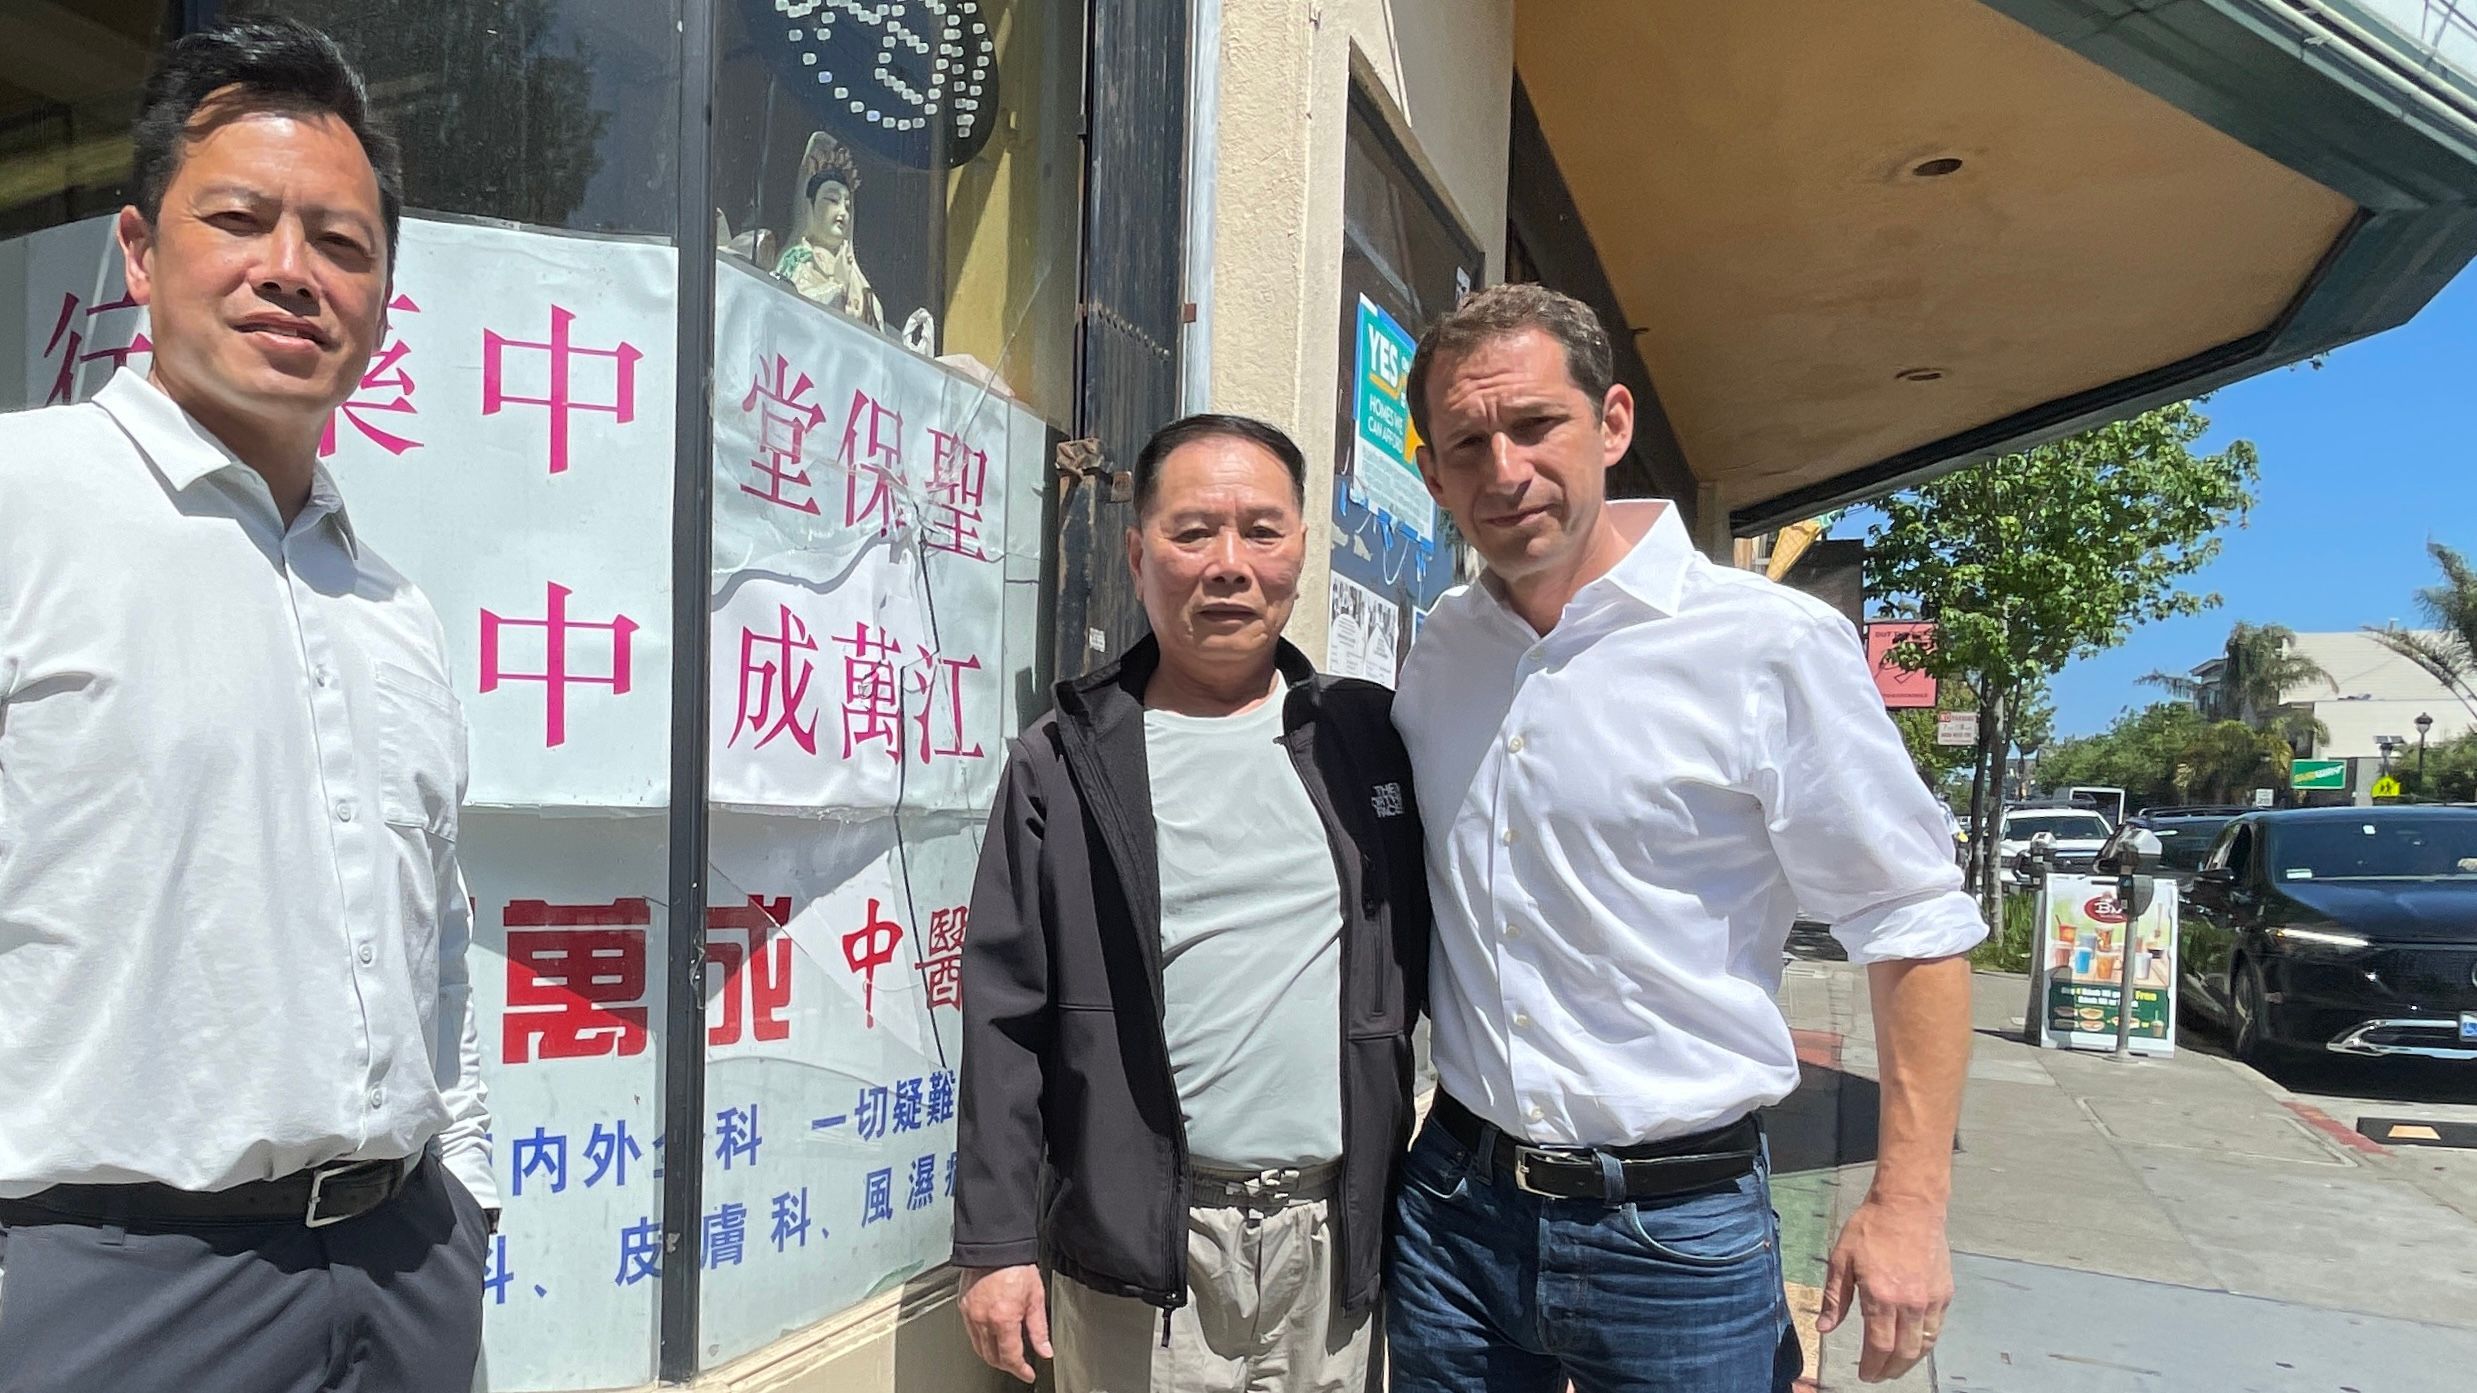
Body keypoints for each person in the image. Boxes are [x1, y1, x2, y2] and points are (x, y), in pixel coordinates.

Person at [0, 21, 494, 1393]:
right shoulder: (23, 506)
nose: (293, 271)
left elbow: (435, 944)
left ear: (384, 298)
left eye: (342, 243)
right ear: (140, 252)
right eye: (241, 220)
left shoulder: (394, 607)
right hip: (105, 1290)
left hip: (404, 1271)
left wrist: (467, 1196)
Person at [1386, 283, 1985, 1392]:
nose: (1502, 469)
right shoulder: (1440, 654)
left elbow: (1913, 924)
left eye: (1533, 425)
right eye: (1465, 443)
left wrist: (1906, 1203)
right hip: (1454, 1217)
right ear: (1431, 475)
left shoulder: (1765, 645)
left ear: (1610, 422)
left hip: (1676, 1238)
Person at [952, 414, 1430, 1392]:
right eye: (1190, 531)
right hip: (1142, 1249)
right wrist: (996, 1244)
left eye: (1260, 530)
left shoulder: (1368, 740)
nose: (1227, 564)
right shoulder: (1065, 758)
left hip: (1333, 1242)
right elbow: (1005, 1011)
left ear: (1301, 549)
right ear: (1136, 554)